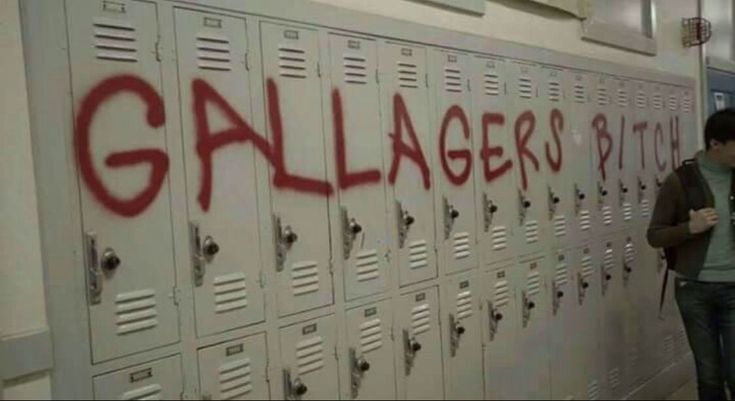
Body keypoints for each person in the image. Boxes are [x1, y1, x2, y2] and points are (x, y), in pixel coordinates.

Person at [648, 108, 735, 400]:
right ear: (716, 144)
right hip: (694, 288)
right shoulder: (681, 181)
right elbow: (655, 234)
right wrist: (690, 228)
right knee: (708, 372)